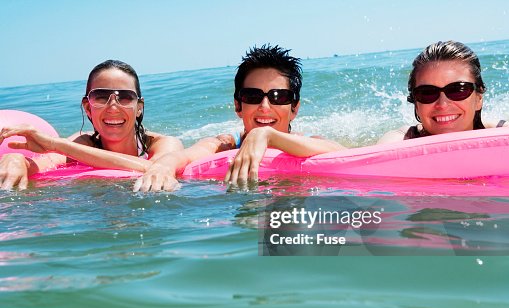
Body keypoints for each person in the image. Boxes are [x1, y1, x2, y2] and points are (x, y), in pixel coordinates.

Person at [134, 45, 345, 192]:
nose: (265, 107)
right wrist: (162, 167)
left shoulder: (310, 141)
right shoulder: (225, 144)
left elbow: (342, 154)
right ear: (238, 105)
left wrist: (269, 136)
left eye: (278, 96)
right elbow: (187, 155)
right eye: (252, 96)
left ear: (294, 109)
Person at [0, 60, 183, 190]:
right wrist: (15, 159)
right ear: (88, 107)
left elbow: (156, 167)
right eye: (101, 97)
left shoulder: (163, 144)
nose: (113, 106)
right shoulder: (82, 143)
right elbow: (44, 163)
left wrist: (57, 145)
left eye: (125, 97)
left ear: (139, 108)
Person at [377, 40, 506, 144]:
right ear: (416, 105)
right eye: (427, 93)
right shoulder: (400, 141)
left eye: (458, 90)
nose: (442, 104)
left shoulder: (503, 134)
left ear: (478, 98)